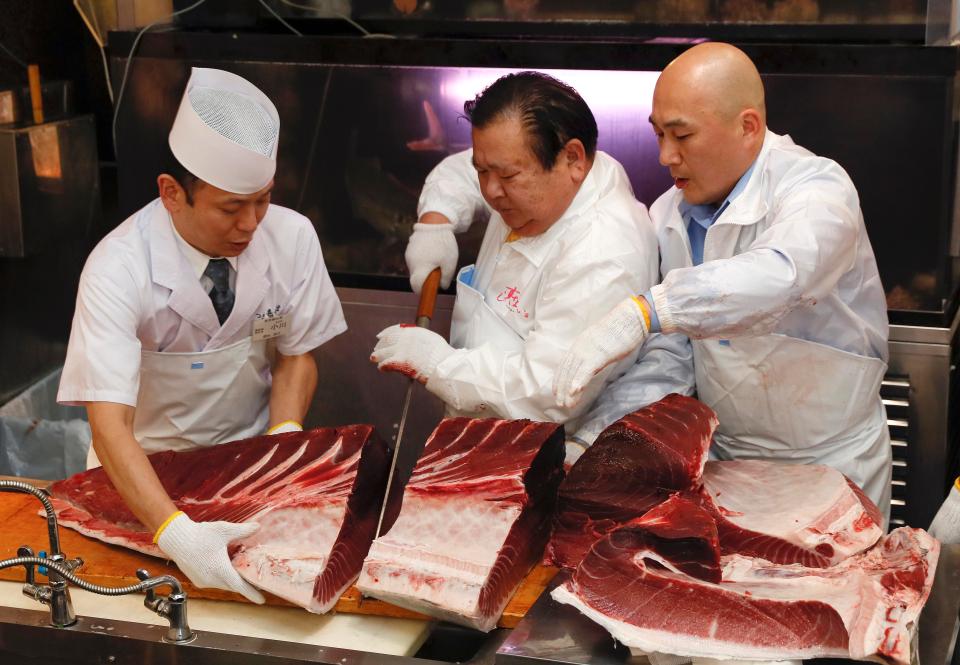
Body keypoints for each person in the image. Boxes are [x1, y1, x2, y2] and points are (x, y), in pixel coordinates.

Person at [553, 43, 893, 520]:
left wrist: (650, 310)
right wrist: (598, 436)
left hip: (833, 465)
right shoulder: (668, 215)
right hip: (726, 466)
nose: (665, 155)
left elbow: (784, 274)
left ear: (748, 127)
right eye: (658, 135)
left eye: (682, 135)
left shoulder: (817, 187)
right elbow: (677, 355)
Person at [57, 68, 346, 600]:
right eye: (231, 208)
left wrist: (283, 438)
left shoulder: (292, 237)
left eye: (262, 200)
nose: (251, 224)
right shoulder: (118, 267)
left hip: (250, 466)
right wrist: (177, 533)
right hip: (141, 479)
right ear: (172, 194)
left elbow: (295, 357)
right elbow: (109, 424)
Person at [370, 72, 691, 465]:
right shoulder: (539, 179)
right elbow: (464, 170)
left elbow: (547, 393)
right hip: (480, 433)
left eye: (506, 176)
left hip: (540, 458)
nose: (490, 190)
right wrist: (436, 221)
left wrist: (440, 365)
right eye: (484, 172)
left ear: (572, 158)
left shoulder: (604, 249)